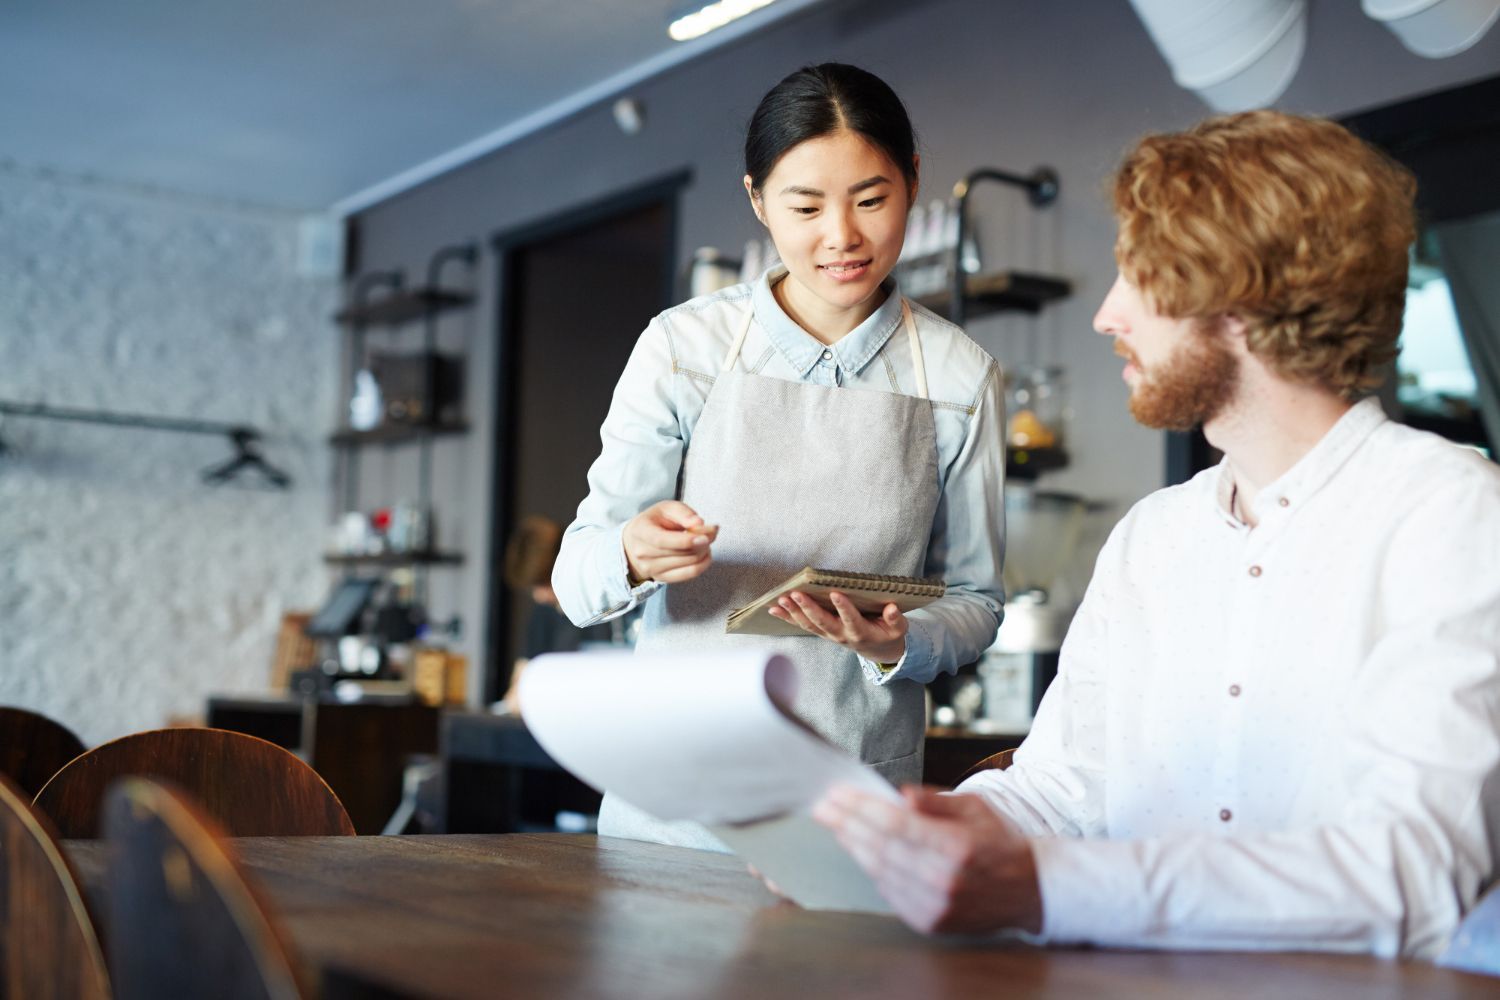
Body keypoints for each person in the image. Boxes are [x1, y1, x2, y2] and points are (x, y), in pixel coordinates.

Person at [815, 109, 1500, 958]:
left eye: (1140, 276)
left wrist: (1042, 886)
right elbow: (1059, 792)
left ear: (1244, 295)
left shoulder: (1453, 512)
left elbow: (1415, 876)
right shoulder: (1152, 538)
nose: (1107, 315)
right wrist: (888, 842)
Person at [552, 64, 1005, 850]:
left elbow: (978, 599)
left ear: (913, 181)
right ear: (758, 200)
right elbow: (576, 577)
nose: (843, 237)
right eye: (804, 206)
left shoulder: (962, 377)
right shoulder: (682, 348)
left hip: (853, 795)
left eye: (871, 200)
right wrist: (631, 551)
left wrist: (902, 642)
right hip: (677, 803)